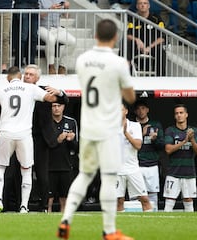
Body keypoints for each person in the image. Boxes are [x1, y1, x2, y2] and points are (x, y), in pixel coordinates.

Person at [57, 19, 136, 240]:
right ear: (116, 38)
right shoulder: (118, 63)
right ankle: (109, 231)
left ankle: (65, 221)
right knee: (109, 178)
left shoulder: (83, 60)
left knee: (84, 175)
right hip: (109, 129)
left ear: (95, 37)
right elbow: (130, 97)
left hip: (88, 128)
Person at [0, 66, 61, 214]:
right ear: (20, 75)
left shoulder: (1, 90)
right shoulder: (30, 89)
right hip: (24, 134)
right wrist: (59, 94)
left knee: (0, 168)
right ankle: (24, 206)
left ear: (8, 78)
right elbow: (52, 99)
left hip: (5, 133)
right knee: (26, 170)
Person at [23, 64, 68, 212]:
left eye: (30, 74)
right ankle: (18, 204)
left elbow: (64, 101)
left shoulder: (44, 91)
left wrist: (60, 93)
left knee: (42, 174)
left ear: (37, 78)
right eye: (26, 74)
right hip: (22, 135)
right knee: (18, 172)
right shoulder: (17, 90)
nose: (27, 76)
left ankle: (43, 207)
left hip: (41, 138)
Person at [163, 104, 197, 212]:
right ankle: (164, 226)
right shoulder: (170, 130)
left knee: (189, 200)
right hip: (173, 172)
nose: (179, 115)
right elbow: (168, 150)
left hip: (189, 172)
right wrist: (184, 141)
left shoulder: (194, 130)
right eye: (176, 113)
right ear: (174, 116)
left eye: (181, 113)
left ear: (186, 115)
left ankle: (190, 226)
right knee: (169, 200)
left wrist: (192, 139)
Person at [117, 103, 152, 212]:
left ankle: (150, 226)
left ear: (126, 111)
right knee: (118, 201)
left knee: (144, 199)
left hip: (132, 168)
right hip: (116, 170)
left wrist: (125, 133)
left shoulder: (135, 125)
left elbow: (138, 145)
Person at [47, 100, 78, 213]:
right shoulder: (46, 122)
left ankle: (63, 221)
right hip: (49, 164)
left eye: (58, 106)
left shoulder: (71, 122)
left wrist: (71, 140)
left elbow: (76, 146)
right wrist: (58, 140)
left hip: (66, 164)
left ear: (63, 107)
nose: (56, 108)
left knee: (64, 197)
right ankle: (46, 218)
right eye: (53, 106)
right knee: (48, 198)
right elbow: (43, 143)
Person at [134, 99, 164, 210]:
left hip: (152, 164)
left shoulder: (155, 125)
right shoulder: (132, 125)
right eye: (138, 109)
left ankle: (153, 216)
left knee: (152, 193)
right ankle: (136, 217)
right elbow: (127, 145)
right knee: (136, 193)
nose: (141, 111)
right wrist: (141, 135)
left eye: (143, 108)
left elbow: (162, 146)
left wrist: (155, 139)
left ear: (147, 110)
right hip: (136, 164)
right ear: (135, 111)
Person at [127, 0, 166, 76]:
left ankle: (160, 80)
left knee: (161, 51)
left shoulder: (156, 19)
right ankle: (127, 76)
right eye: (140, 3)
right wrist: (137, 40)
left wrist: (149, 47)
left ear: (149, 6)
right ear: (137, 6)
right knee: (125, 44)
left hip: (153, 47)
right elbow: (128, 35)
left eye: (145, 3)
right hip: (137, 47)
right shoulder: (133, 19)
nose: (142, 5)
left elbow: (163, 37)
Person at [38, 0, 76, 75]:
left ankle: (62, 66)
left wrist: (66, 8)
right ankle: (51, 66)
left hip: (57, 28)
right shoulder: (40, 1)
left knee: (73, 41)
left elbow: (67, 16)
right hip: (42, 27)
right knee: (51, 39)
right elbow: (38, 15)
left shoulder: (60, 0)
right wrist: (50, 9)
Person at [13, 0, 39, 68]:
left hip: (34, 6)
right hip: (22, 5)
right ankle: (18, 63)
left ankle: (31, 63)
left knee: (33, 36)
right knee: (23, 36)